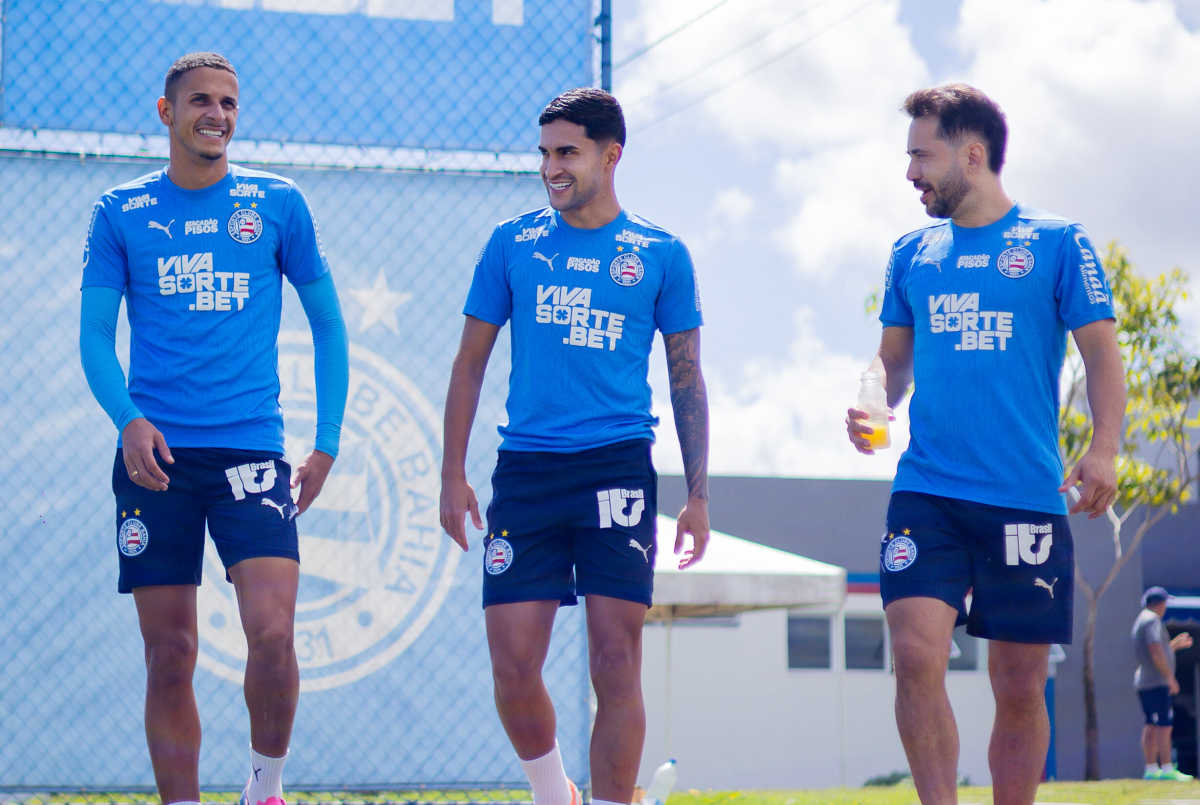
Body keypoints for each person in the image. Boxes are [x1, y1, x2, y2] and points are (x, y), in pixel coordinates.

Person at [79, 52, 349, 805]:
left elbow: (326, 322)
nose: (218, 115)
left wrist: (326, 440)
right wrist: (129, 421)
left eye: (229, 103)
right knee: (171, 654)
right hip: (155, 461)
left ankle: (264, 787)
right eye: (201, 101)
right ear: (166, 113)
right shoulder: (120, 211)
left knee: (272, 634)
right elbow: (95, 337)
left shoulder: (277, 202)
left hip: (251, 455)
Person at [846, 83, 1126, 805]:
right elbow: (893, 359)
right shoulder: (911, 252)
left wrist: (1104, 448)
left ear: (973, 154)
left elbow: (1102, 353)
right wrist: (875, 396)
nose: (909, 172)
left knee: (1020, 682)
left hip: (1023, 495)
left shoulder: (1058, 242)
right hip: (928, 489)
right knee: (914, 654)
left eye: (921, 154)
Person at [439, 87, 709, 805]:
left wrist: (699, 494)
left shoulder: (660, 253)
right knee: (513, 664)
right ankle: (554, 795)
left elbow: (686, 378)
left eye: (568, 152)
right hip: (525, 470)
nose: (551, 167)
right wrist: (451, 473)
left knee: (615, 659)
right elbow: (470, 363)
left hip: (617, 464)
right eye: (545, 153)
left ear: (609, 155)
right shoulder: (511, 242)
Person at [1133, 586, 1194, 780]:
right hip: (1156, 681)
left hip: (1145, 681)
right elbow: (1154, 650)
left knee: (1151, 723)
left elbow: (1159, 649)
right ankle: (1167, 769)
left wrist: (1174, 645)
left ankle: (1151, 769)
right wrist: (1169, 678)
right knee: (1164, 725)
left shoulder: (1142, 619)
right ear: (1159, 604)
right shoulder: (1151, 620)